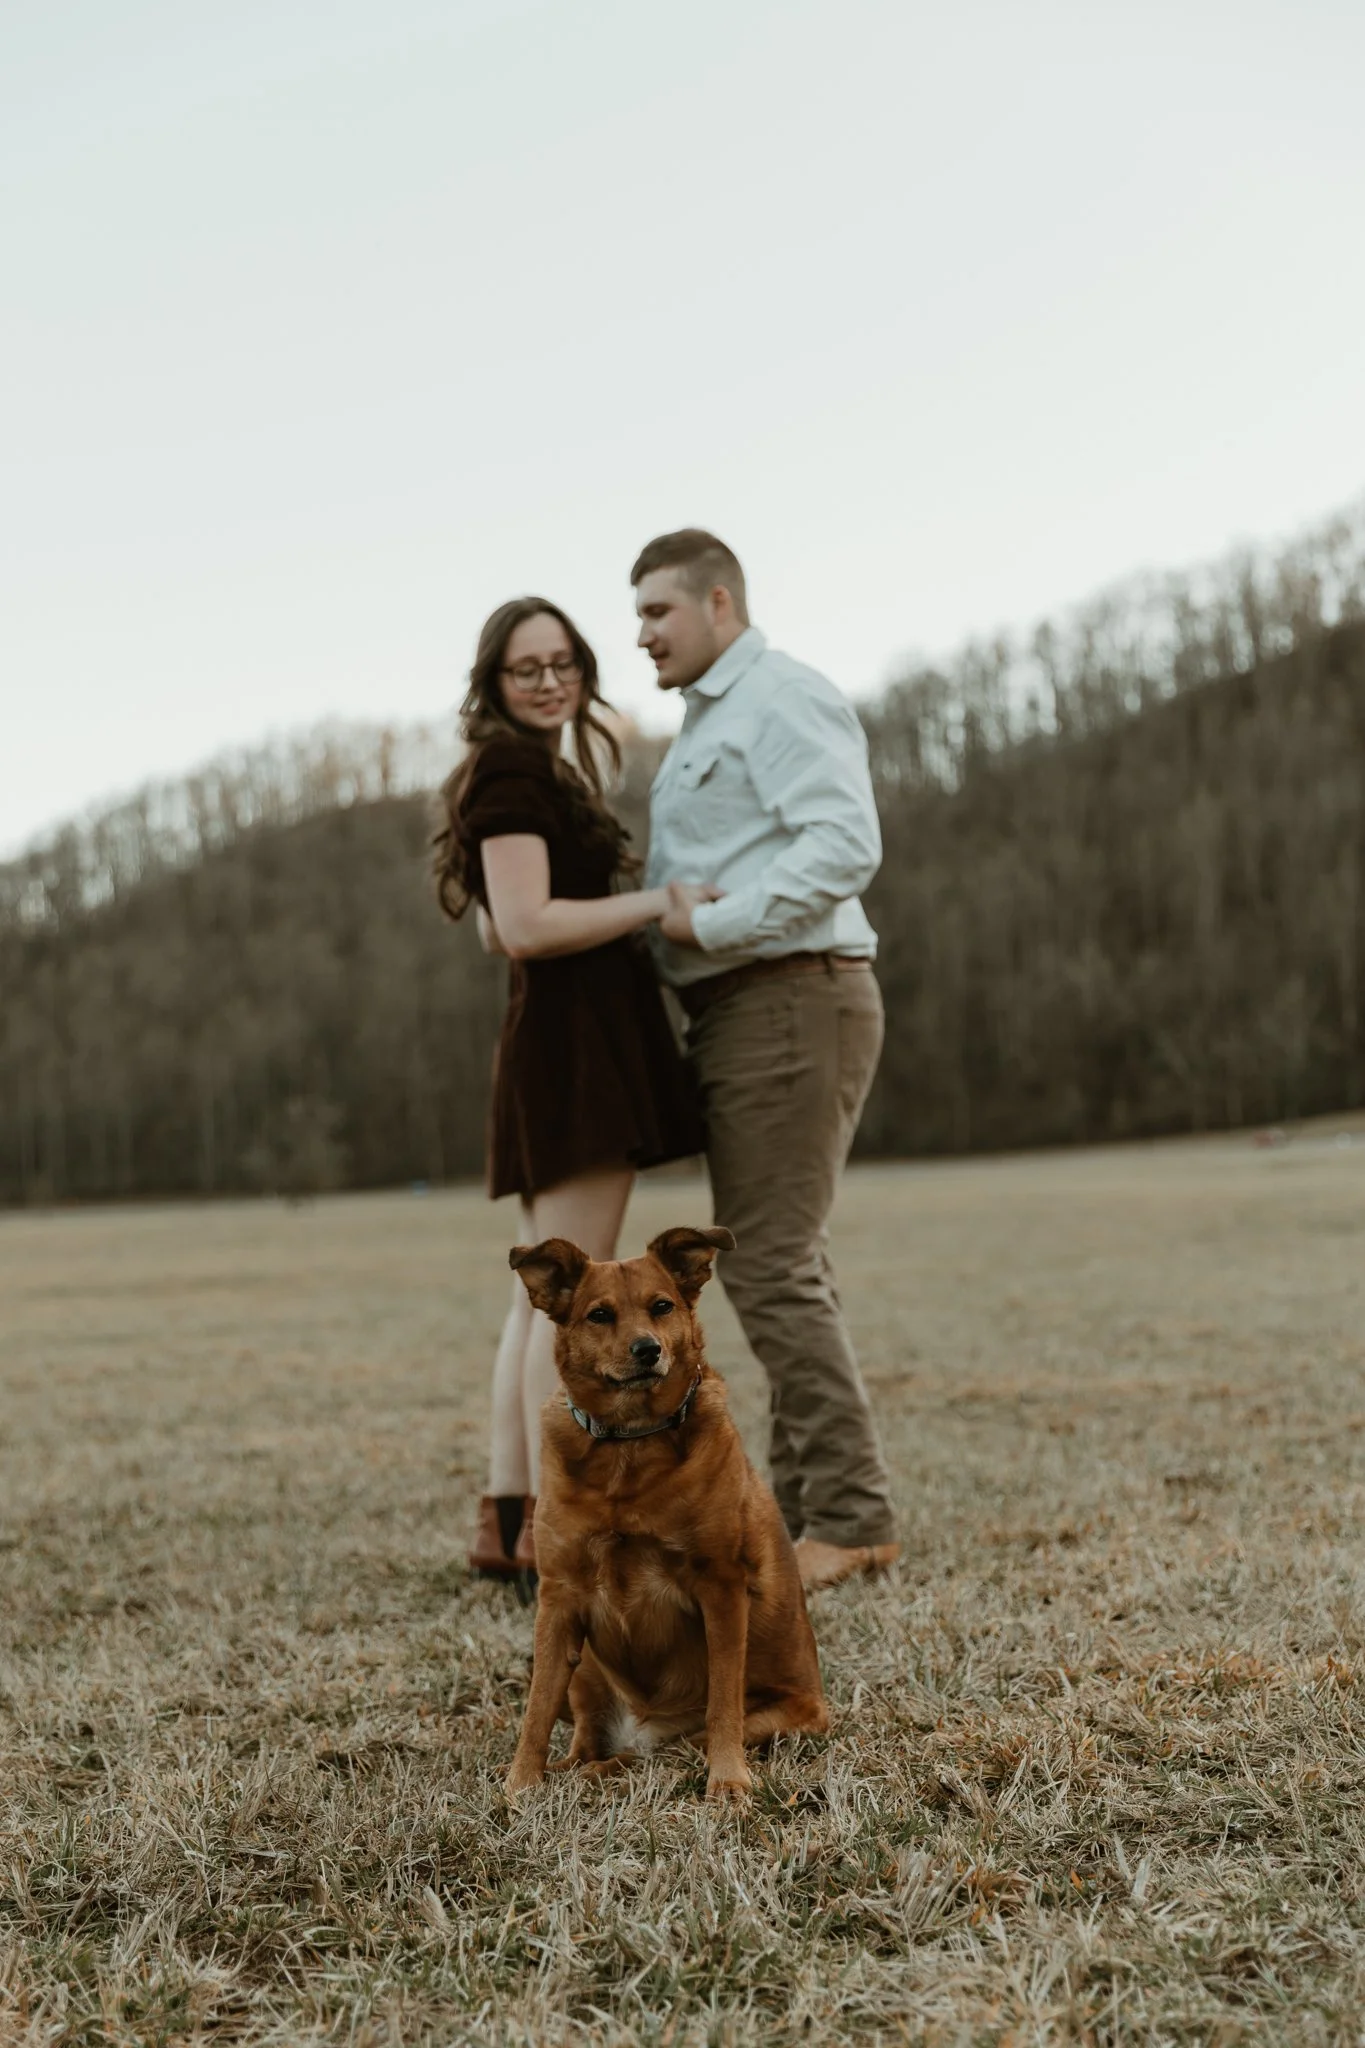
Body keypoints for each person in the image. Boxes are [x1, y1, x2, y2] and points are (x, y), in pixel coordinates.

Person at [634, 529, 899, 1591]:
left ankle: (852, 1514)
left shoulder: (779, 697)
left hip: (791, 996)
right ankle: (806, 1508)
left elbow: (845, 843)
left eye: (658, 610)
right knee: (779, 1261)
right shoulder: (711, 722)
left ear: (720, 602)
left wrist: (715, 925)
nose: (642, 633)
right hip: (746, 1009)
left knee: (775, 1262)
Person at [433, 596, 706, 1578]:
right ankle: (539, 1525)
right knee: (568, 1293)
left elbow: (498, 921)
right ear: (494, 684)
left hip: (571, 1045)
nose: (549, 680)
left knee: (535, 1305)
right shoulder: (509, 769)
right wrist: (657, 903)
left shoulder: (533, 768)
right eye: (525, 668)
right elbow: (525, 924)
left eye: (562, 662)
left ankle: (508, 1526)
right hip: (574, 1055)